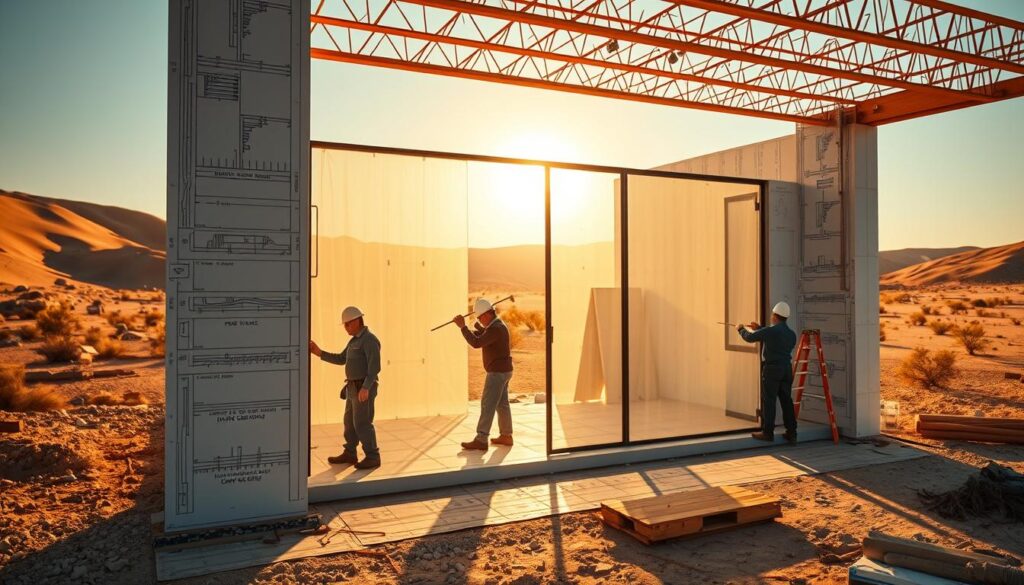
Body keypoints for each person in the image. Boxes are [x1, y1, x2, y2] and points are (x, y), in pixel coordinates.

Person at [309, 306, 382, 469]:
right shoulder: (354, 341)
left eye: (348, 324)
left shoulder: (369, 340)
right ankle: (350, 453)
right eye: (345, 325)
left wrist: (366, 388)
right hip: (352, 388)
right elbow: (342, 359)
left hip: (362, 387)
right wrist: (319, 352)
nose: (345, 327)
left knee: (362, 423)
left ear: (357, 321)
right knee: (349, 422)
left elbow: (374, 367)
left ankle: (373, 456)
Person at [453, 298, 514, 451]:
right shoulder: (498, 325)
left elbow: (476, 343)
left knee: (488, 404)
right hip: (504, 371)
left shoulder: (495, 329)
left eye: (480, 318)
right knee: (502, 404)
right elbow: (485, 337)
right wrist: (477, 327)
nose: (479, 320)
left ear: (486, 315)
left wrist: (463, 327)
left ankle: (481, 439)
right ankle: (506, 436)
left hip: (497, 373)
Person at [737, 301, 798, 444]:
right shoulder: (791, 334)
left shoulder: (771, 331)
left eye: (772, 315)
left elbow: (749, 337)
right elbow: (774, 335)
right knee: (786, 401)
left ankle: (767, 433)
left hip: (772, 370)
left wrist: (740, 329)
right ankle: (792, 433)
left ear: (775, 316)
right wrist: (759, 328)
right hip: (786, 370)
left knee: (769, 401)